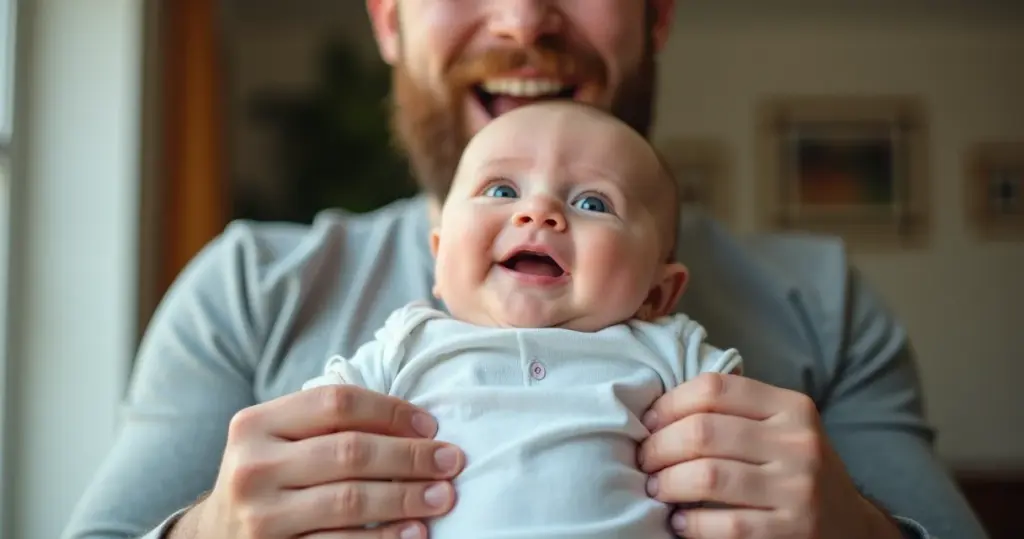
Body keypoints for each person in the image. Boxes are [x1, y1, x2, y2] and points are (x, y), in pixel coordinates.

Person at [62, 1, 988, 539]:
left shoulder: (822, 302)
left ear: (655, 13)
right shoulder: (247, 287)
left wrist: (862, 531)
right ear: (389, 15)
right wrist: (206, 531)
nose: (524, 17)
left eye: (590, 202)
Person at [300, 100, 745, 538]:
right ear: (439, 258)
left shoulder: (668, 350)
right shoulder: (407, 343)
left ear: (657, 291)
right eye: (501, 191)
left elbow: (741, 441)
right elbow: (316, 427)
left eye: (592, 202)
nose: (538, 212)